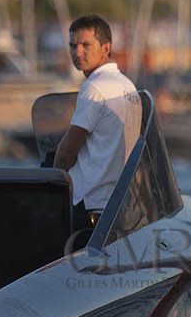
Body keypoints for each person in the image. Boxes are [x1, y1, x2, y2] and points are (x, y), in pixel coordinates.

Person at [55, 15, 141, 228]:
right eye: (73, 45)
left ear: (106, 47)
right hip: (123, 203)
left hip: (93, 205)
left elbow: (67, 154)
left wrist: (50, 183)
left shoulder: (94, 87)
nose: (78, 52)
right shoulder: (128, 85)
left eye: (86, 45)